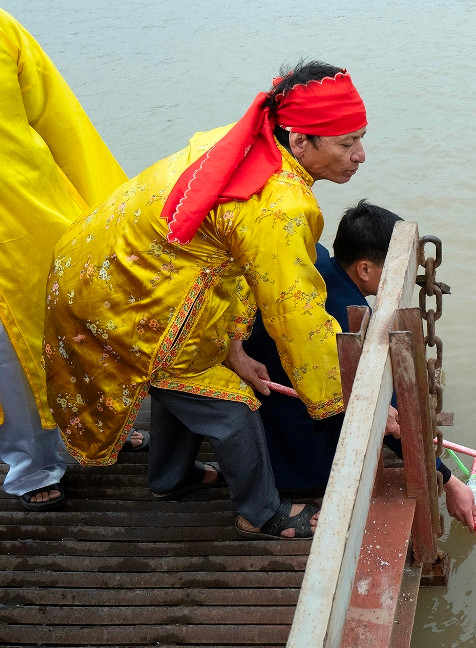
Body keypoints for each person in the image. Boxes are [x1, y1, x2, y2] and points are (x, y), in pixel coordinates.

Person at [43, 61, 369, 538]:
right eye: (346, 143)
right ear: (300, 141)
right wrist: (343, 398)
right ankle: (261, 513)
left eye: (360, 138)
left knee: (186, 378)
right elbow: (296, 317)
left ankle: (169, 478)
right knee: (230, 404)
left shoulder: (245, 138)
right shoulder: (281, 207)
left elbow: (236, 264)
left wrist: (236, 344)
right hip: (127, 297)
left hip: (97, 268)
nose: (360, 155)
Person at [242, 200, 476, 527]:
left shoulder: (317, 257)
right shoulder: (347, 322)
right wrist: (450, 482)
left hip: (263, 397)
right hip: (291, 435)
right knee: (383, 412)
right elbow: (385, 415)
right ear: (364, 269)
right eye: (393, 268)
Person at [0, 9, 130, 512]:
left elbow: (62, 121)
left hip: (35, 216)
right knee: (9, 364)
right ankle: (29, 466)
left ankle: (92, 432)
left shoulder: (5, 30)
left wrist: (110, 210)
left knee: (75, 331)